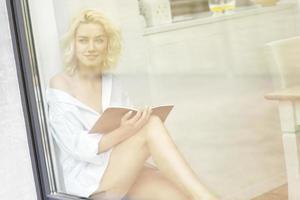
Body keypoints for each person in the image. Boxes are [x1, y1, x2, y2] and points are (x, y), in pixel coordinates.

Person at [46, 9, 219, 200]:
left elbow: (130, 134)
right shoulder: (61, 83)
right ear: (73, 44)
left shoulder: (112, 83)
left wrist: (134, 135)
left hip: (120, 170)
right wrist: (124, 131)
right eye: (83, 40)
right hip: (90, 184)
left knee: (177, 194)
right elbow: (78, 147)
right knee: (151, 124)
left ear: (108, 45)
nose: (91, 47)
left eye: (99, 40)